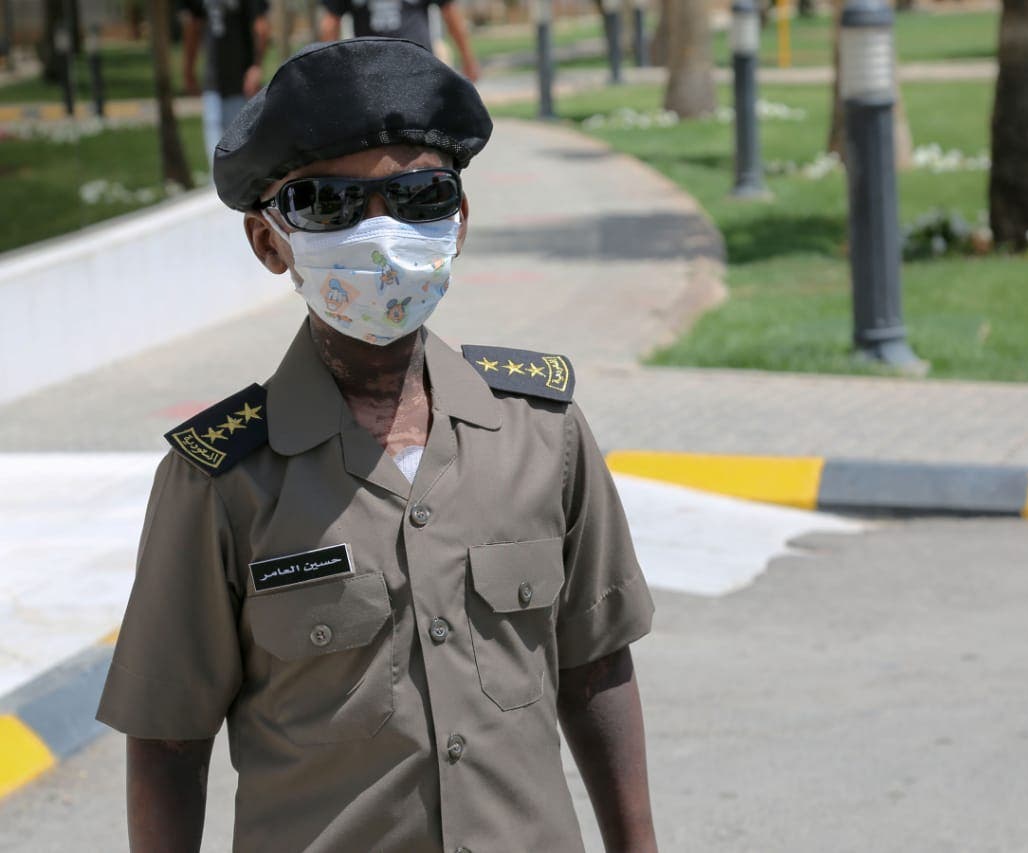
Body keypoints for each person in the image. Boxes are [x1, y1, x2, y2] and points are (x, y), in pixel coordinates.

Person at [97, 37, 658, 853]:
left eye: (420, 195)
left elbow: (597, 666)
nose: (383, 232)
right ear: (268, 243)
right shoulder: (220, 480)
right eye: (330, 205)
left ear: (458, 222)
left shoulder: (544, 433)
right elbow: (169, 740)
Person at [182, 0, 270, 165]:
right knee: (216, 157)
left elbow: (261, 27)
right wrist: (188, 68)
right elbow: (192, 25)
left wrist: (256, 67)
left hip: (241, 83)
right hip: (213, 82)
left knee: (242, 152)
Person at [319, 0, 481, 82]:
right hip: (414, 66)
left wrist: (329, 71)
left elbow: (329, 26)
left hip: (375, 71)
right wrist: (468, 60)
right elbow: (451, 14)